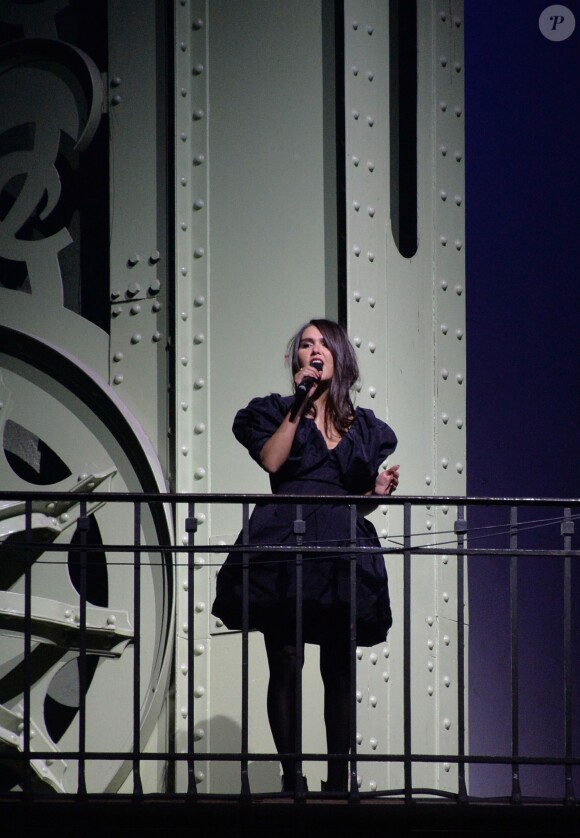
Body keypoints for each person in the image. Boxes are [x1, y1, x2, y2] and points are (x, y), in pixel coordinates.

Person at [211, 318, 399, 794]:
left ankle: (338, 780)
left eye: (322, 344)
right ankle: (292, 777)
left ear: (339, 356)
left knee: (338, 664)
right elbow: (273, 461)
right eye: (305, 344)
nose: (313, 350)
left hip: (340, 547)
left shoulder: (363, 426)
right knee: (286, 658)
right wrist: (300, 403)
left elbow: (353, 498)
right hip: (284, 539)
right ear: (297, 359)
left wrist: (374, 492)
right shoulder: (276, 411)